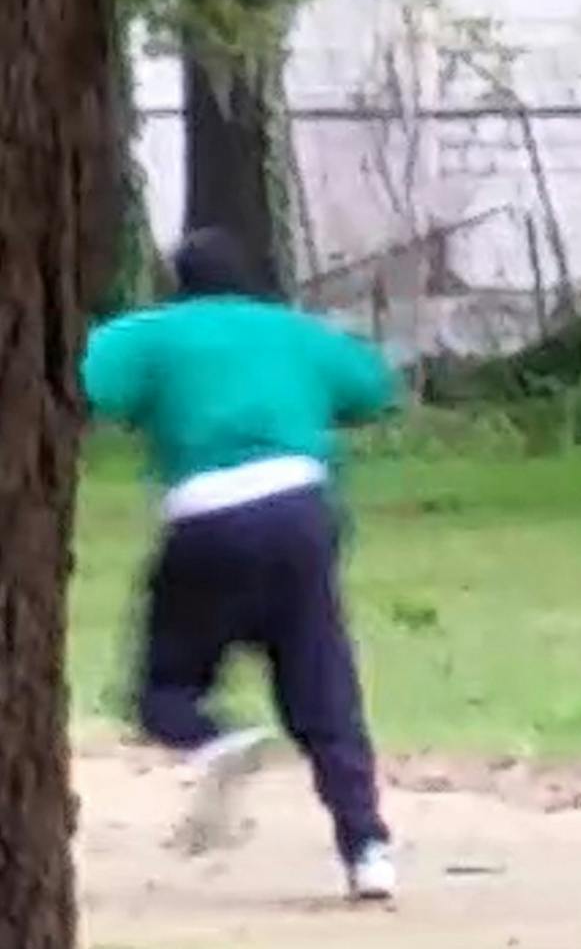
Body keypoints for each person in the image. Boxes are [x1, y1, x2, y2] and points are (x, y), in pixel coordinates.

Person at [82, 227, 401, 899]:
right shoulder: (293, 331)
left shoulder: (152, 335)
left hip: (208, 517)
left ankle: (212, 738)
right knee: (324, 693)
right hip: (301, 511)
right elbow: (373, 387)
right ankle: (367, 848)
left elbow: (87, 381)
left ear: (177, 283)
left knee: (161, 687)